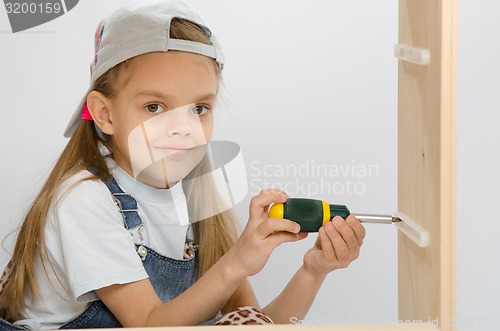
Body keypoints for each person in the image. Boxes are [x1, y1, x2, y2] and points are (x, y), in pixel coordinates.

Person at [0, 0, 366, 329]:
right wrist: (236, 261)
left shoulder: (196, 196)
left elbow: (255, 324)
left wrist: (312, 271)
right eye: (155, 107)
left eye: (199, 108)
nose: (182, 128)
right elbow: (146, 324)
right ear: (105, 114)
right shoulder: (84, 200)